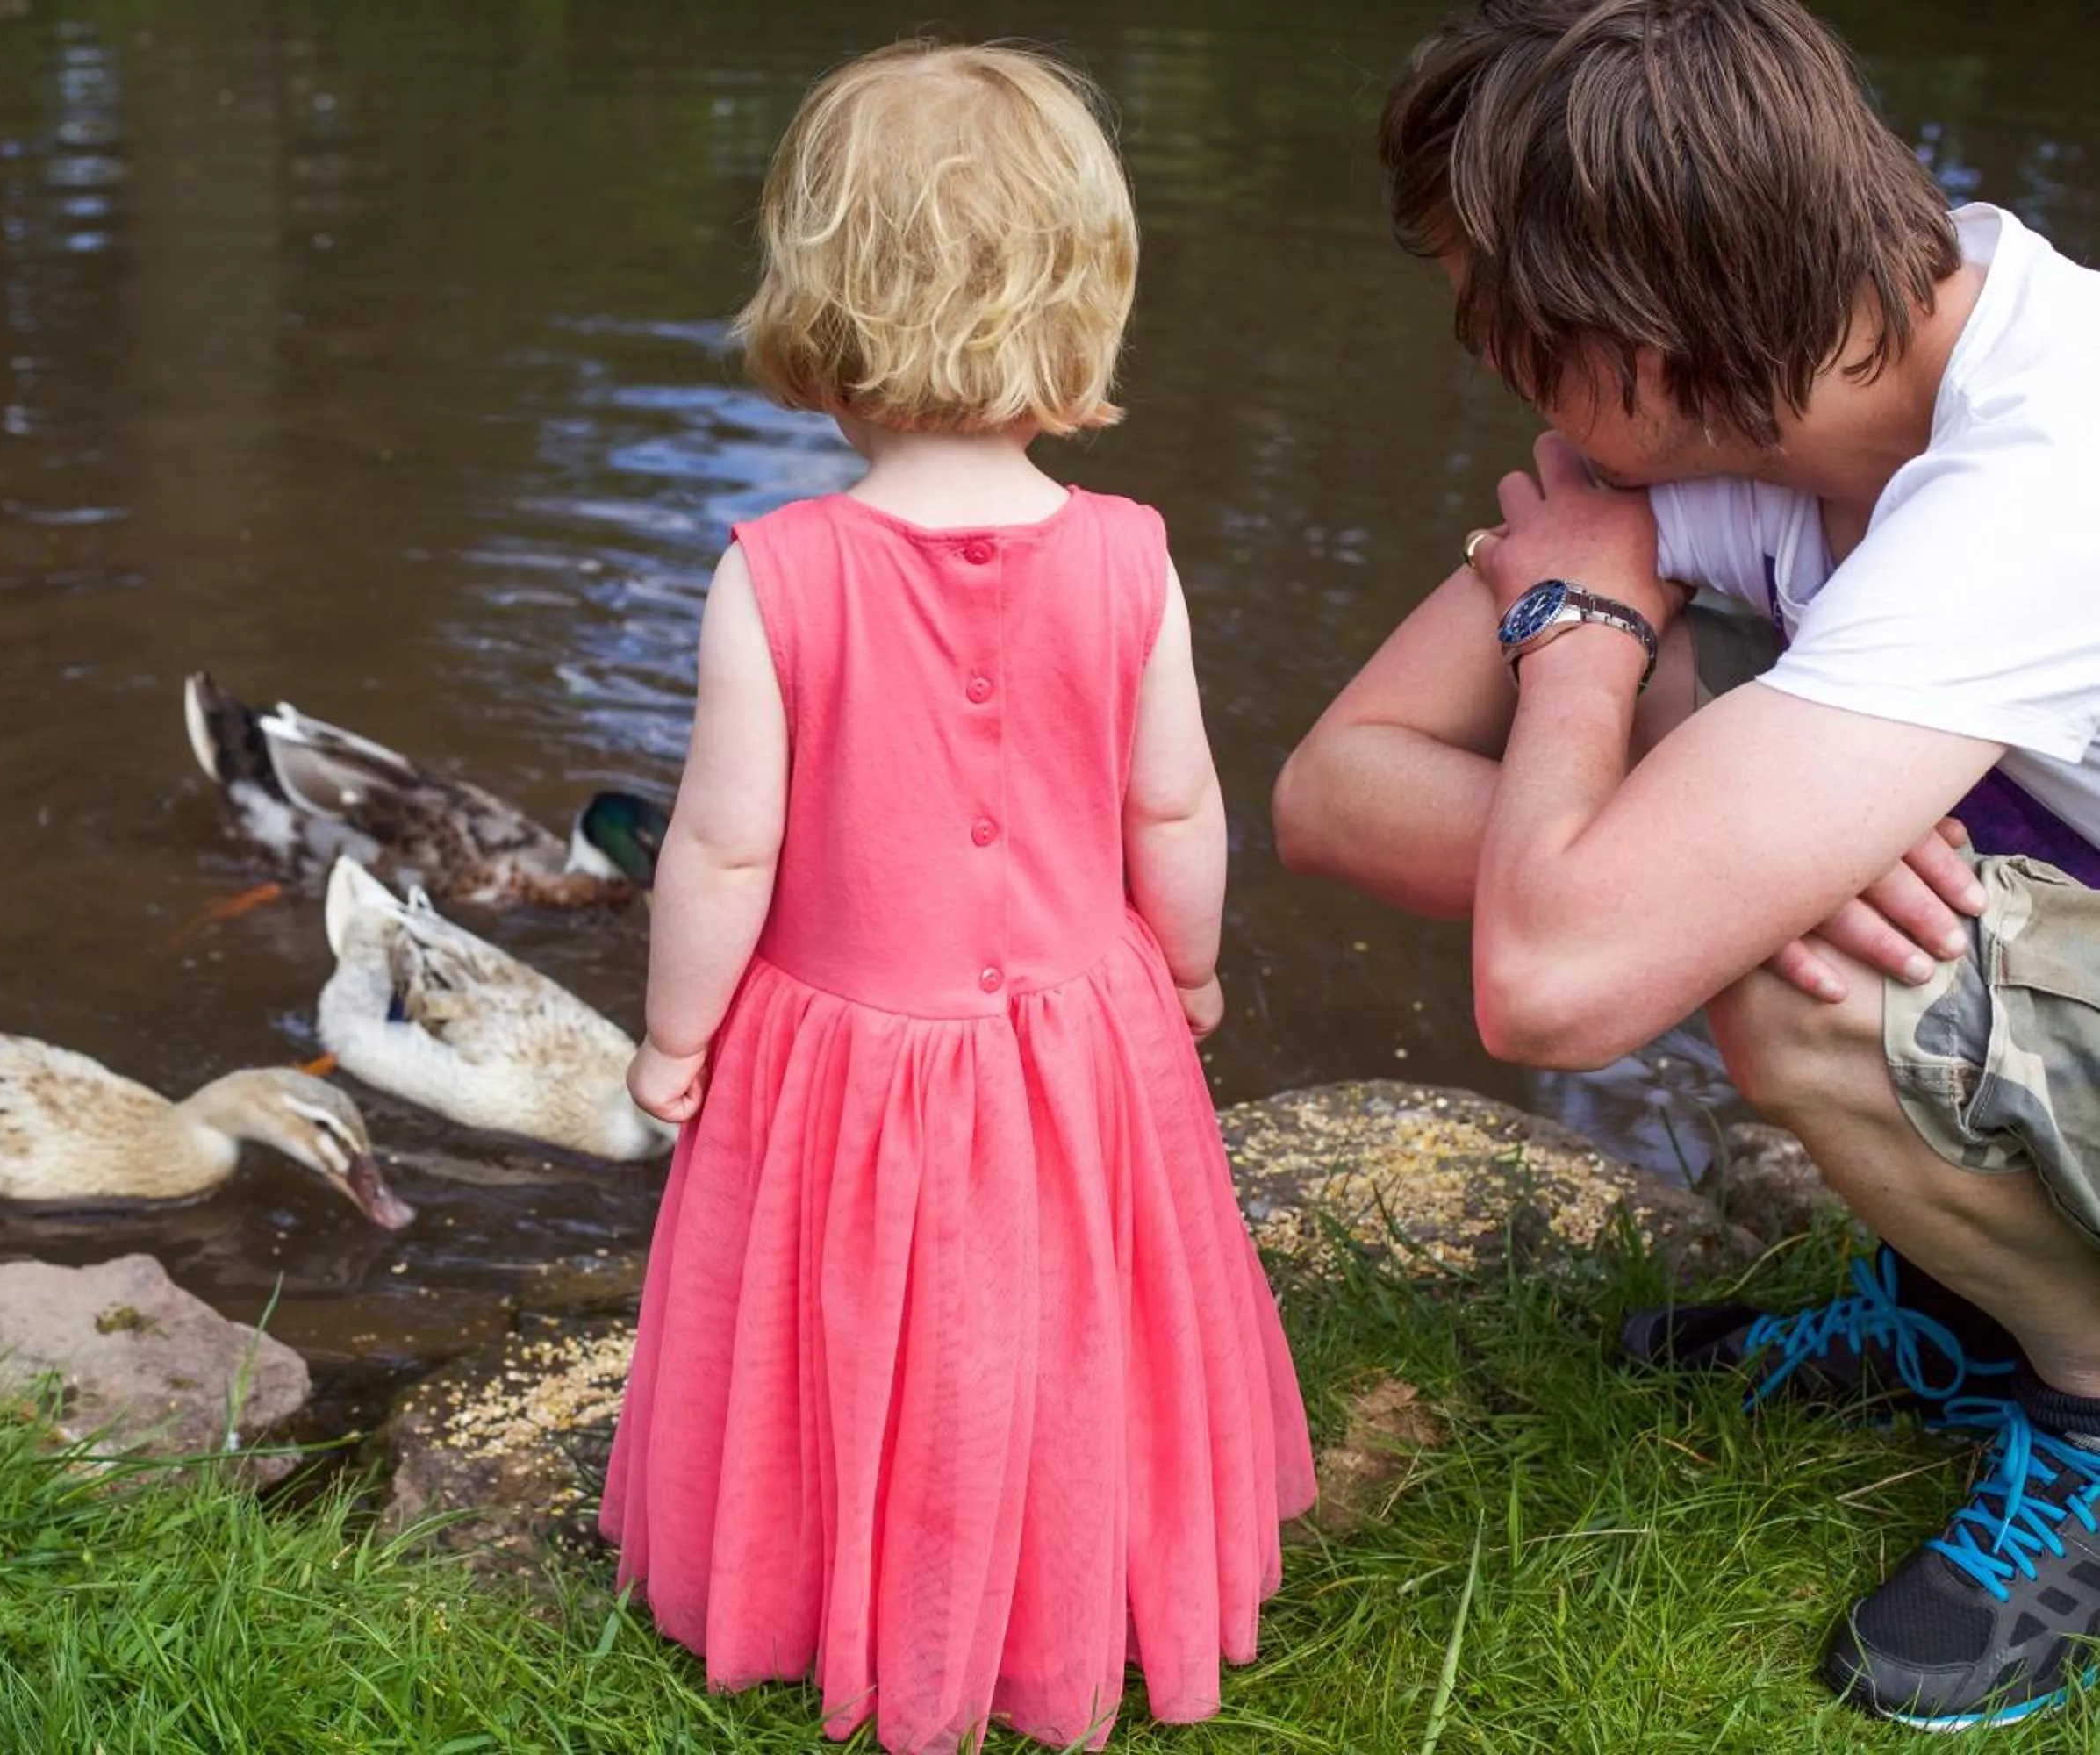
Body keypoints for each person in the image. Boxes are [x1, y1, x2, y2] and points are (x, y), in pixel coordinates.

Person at [1272, 0, 2100, 1730]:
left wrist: (1577, 649)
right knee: (1697, 740)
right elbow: (1334, 788)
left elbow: (1557, 984)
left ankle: (2088, 1398)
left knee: (1784, 956)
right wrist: (1688, 820)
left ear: (1643, 333)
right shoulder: (1829, 368)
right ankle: (1955, 1299)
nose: (1489, 374)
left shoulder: (2037, 472)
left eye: (1506, 338)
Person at [599, 40, 1315, 1754]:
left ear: (820, 303)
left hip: (844, 1053)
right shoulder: (1134, 556)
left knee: (862, 1342)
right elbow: (1178, 799)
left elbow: (718, 850)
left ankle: (846, 1593)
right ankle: (1071, 1593)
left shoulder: (776, 574)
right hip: (1088, 1039)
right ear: (1085, 297)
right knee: (1075, 1334)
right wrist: (1194, 968)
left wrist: (673, 1038)